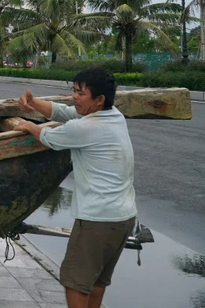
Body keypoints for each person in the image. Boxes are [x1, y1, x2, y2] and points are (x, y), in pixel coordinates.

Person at [13, 68, 136, 308]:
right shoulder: (114, 115)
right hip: (122, 218)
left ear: (99, 100)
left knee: (75, 282)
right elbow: (66, 112)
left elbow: (50, 138)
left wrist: (28, 126)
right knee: (97, 280)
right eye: (74, 91)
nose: (74, 97)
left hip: (97, 219)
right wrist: (33, 102)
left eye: (81, 93)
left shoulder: (86, 128)